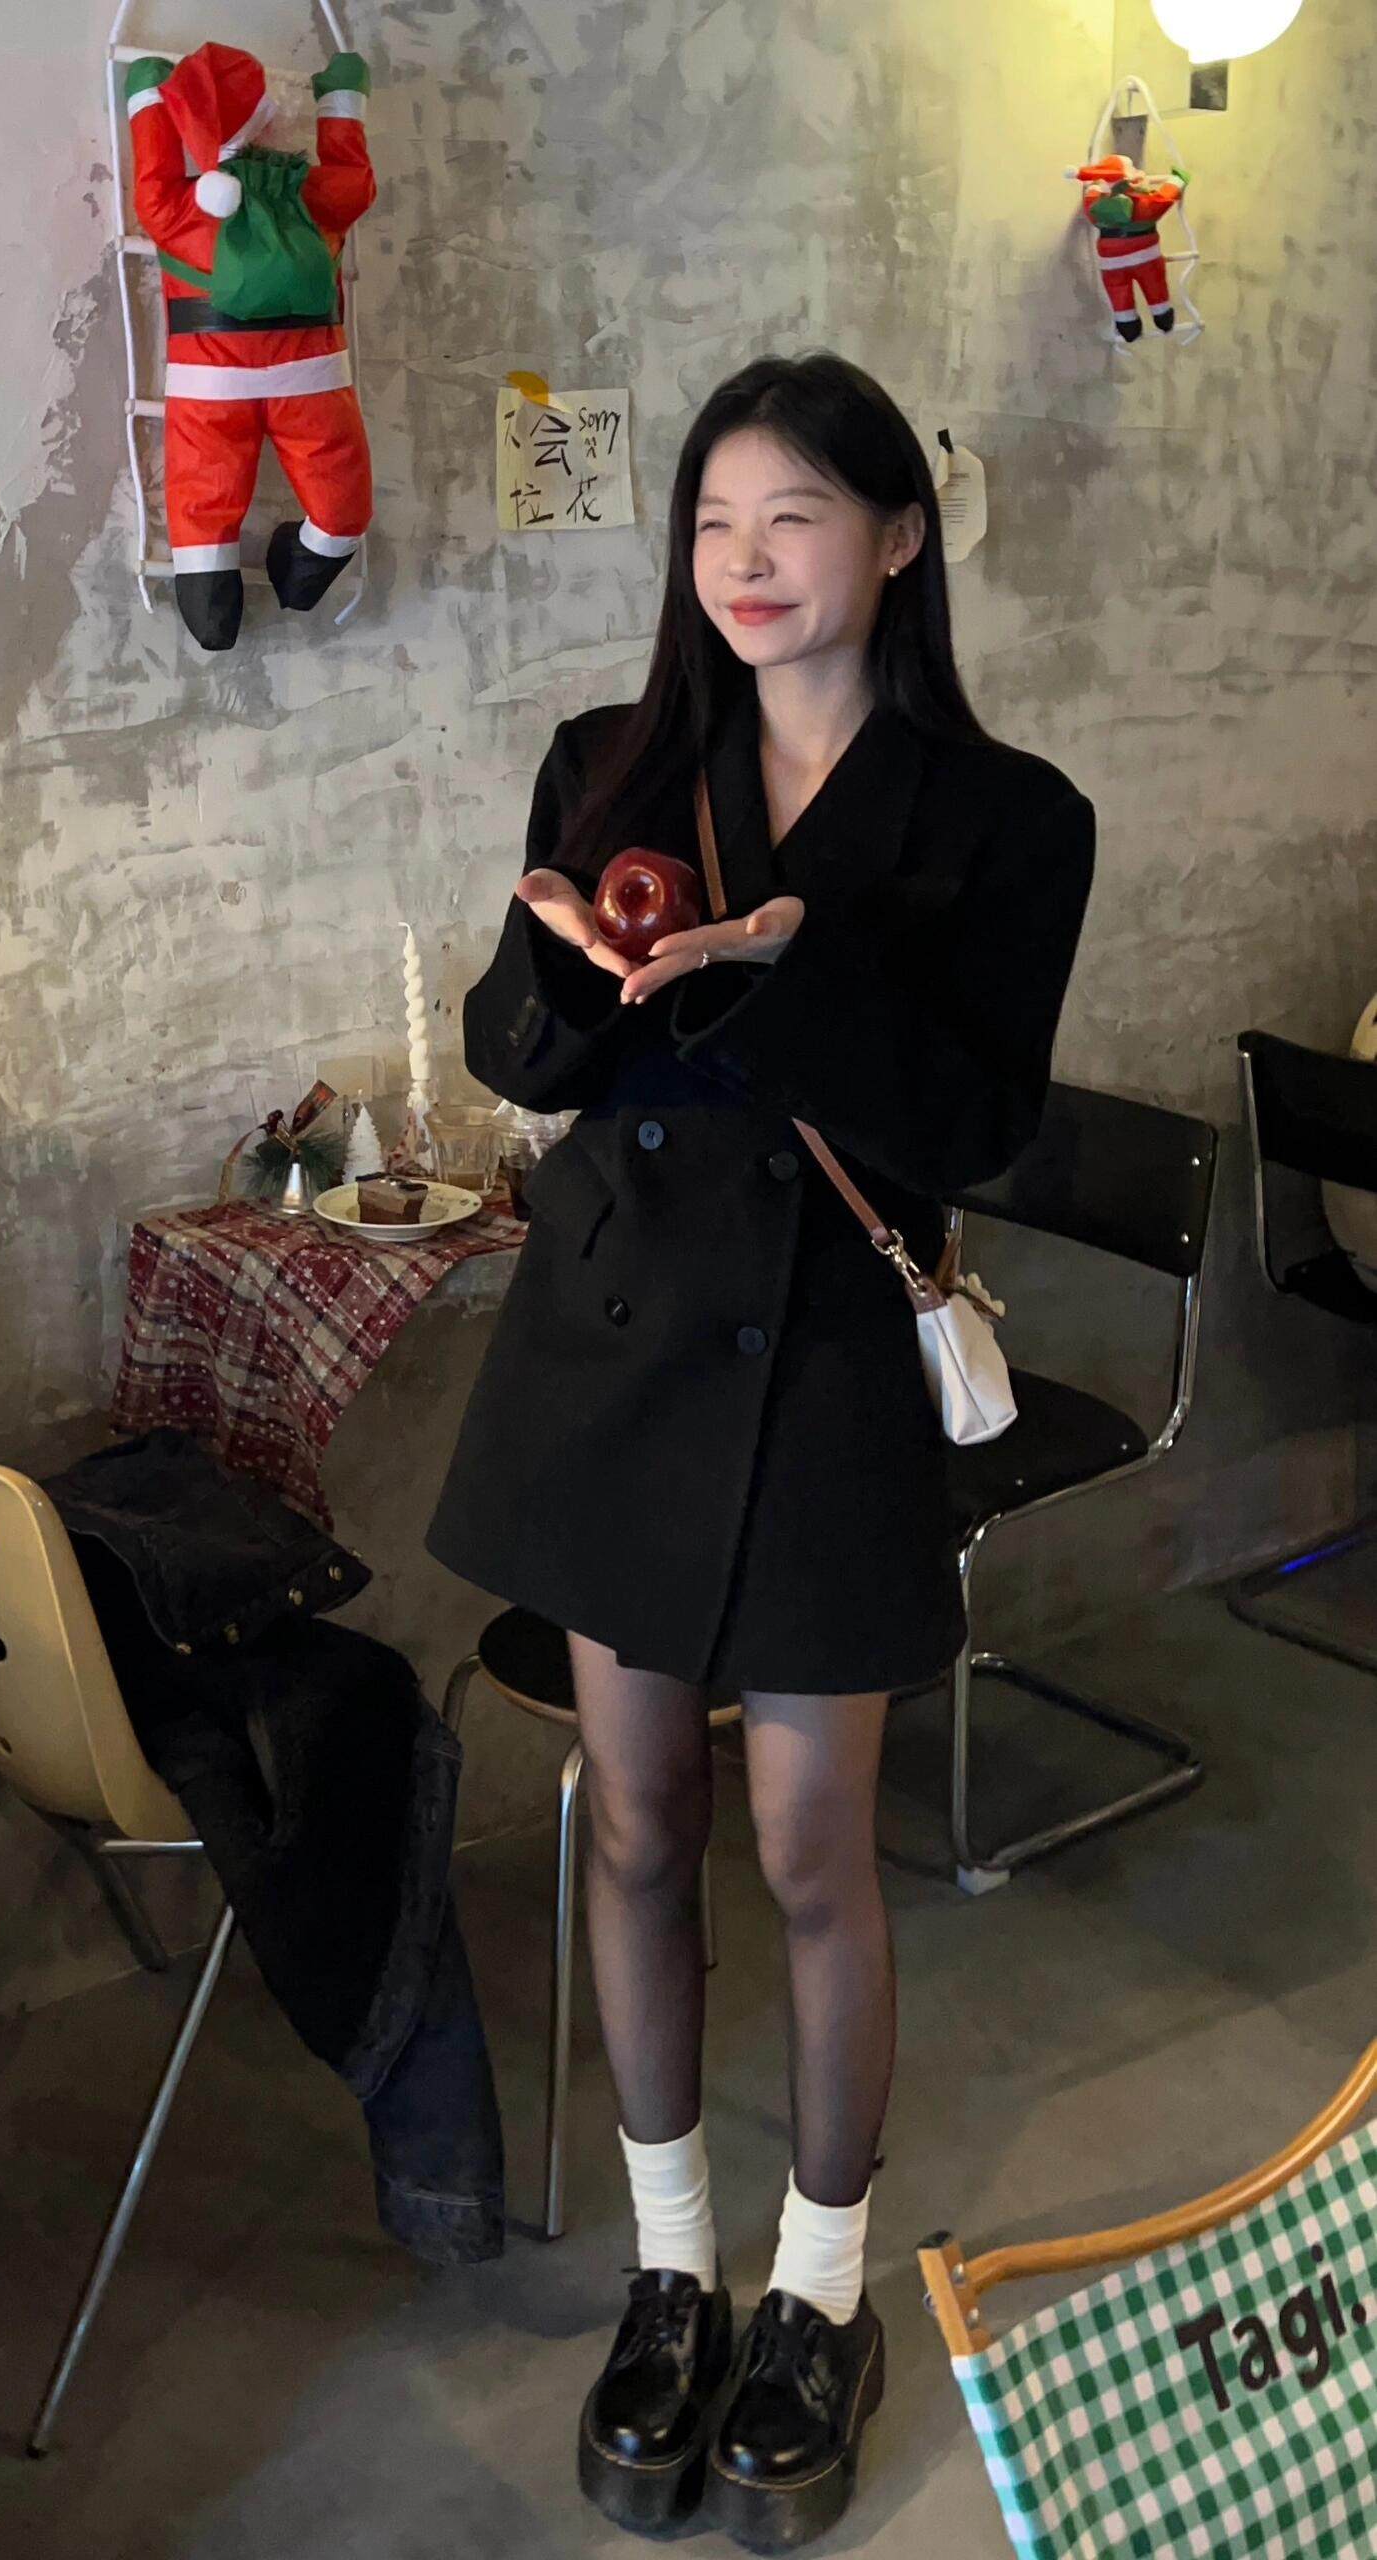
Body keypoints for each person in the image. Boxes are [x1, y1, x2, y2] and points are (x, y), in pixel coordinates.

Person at [424, 352, 1096, 2548]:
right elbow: (518, 1052)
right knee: (636, 1817)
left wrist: (782, 971)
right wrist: (561, 983)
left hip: (821, 1372)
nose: (746, 559)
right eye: (714, 520)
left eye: (794, 514)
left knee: (812, 1841)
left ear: (898, 537)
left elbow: (978, 1123)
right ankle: (670, 2269)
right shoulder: (611, 761)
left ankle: (815, 2293)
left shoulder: (1009, 817)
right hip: (614, 1354)